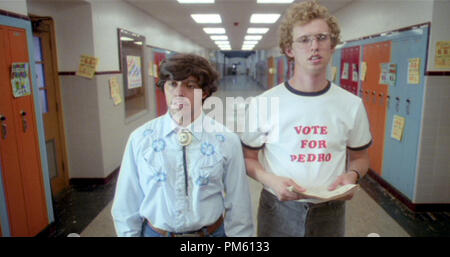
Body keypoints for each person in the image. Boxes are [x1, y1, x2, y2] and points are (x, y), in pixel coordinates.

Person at [240, 1, 372, 237]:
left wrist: (352, 175)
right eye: (304, 40)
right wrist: (270, 180)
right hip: (277, 209)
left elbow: (360, 157)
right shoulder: (263, 103)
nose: (314, 47)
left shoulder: (351, 105)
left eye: (322, 38)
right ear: (289, 49)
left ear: (332, 46)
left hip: (330, 212)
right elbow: (248, 158)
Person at [112, 53, 253, 237]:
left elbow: (239, 202)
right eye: (172, 84)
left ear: (204, 92)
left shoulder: (226, 140)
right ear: (164, 88)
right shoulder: (140, 139)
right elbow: (126, 202)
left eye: (190, 86)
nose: (179, 93)